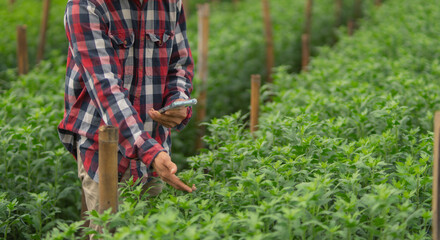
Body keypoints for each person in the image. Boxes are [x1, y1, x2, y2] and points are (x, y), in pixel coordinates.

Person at [57, 0, 196, 226]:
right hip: (103, 151)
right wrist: (150, 152)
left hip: (155, 147)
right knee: (109, 231)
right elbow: (105, 88)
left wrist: (178, 100)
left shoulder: (170, 3)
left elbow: (179, 64)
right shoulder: (85, 6)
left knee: (150, 230)